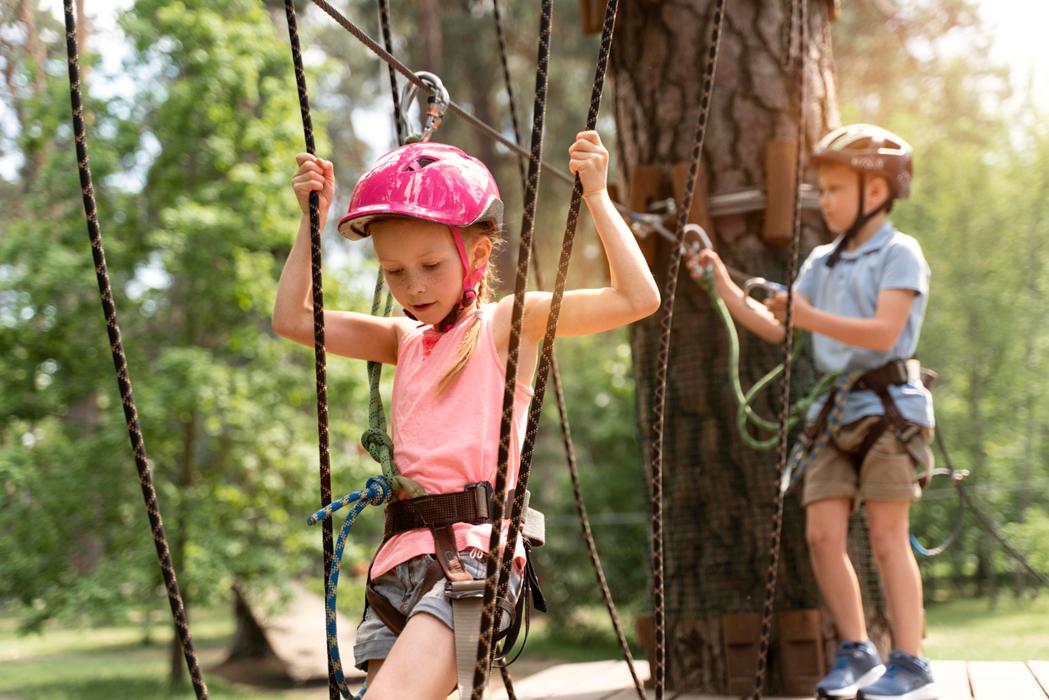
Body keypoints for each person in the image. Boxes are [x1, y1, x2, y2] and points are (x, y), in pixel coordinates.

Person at [273, 131, 660, 700]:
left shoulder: (504, 327)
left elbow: (637, 297)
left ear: (477, 254)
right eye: (395, 271)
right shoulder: (402, 339)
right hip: (399, 564)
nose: (414, 285)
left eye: (429, 264)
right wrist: (311, 222)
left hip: (476, 561)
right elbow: (294, 319)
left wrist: (597, 196)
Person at [688, 124, 938, 700]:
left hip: (889, 411)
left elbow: (884, 331)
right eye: (821, 189)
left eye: (834, 189)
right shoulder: (821, 263)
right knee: (823, 535)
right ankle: (856, 649)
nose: (822, 200)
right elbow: (780, 329)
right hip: (834, 412)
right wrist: (724, 286)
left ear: (875, 192)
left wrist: (807, 314)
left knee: (885, 538)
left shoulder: (900, 253)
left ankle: (912, 660)